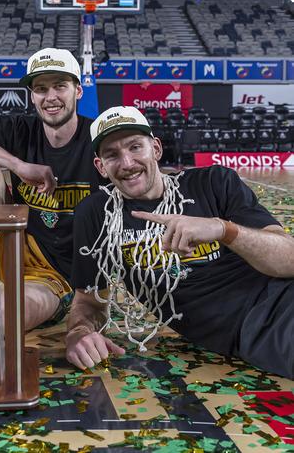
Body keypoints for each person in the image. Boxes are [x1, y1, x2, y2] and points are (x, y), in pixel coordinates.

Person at [67, 105, 294, 379]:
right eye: (112, 155)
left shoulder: (214, 182)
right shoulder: (95, 214)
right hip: (257, 327)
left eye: (135, 147)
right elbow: (89, 301)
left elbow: (288, 259)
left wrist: (222, 230)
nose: (127, 163)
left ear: (157, 149)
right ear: (100, 167)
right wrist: (78, 333)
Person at [0, 47, 105, 330]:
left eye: (59, 86)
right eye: (41, 88)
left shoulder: (97, 140)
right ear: (32, 95)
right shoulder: (19, 129)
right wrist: (17, 165)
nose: (50, 97)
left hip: (51, 273)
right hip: (6, 244)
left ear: (78, 91)